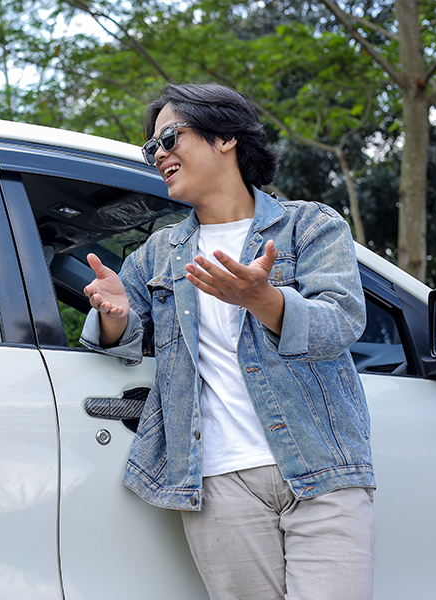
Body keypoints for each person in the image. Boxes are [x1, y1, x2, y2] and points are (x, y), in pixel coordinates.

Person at [81, 84, 375, 600]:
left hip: (321, 467)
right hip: (216, 481)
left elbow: (343, 321)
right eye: (152, 148)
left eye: (169, 137)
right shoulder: (156, 253)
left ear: (226, 138)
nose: (160, 155)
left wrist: (265, 300)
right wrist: (115, 314)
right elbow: (120, 344)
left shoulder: (309, 225)